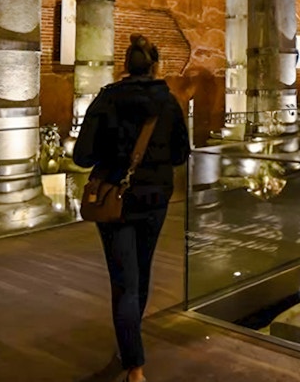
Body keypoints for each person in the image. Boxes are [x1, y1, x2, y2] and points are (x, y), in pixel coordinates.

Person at [74, 34, 190, 382]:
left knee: (124, 280)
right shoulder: (167, 102)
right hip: (154, 199)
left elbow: (83, 156)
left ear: (125, 66)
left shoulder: (107, 100)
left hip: (115, 199)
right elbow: (180, 154)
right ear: (155, 66)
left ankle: (134, 362)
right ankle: (130, 347)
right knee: (141, 271)